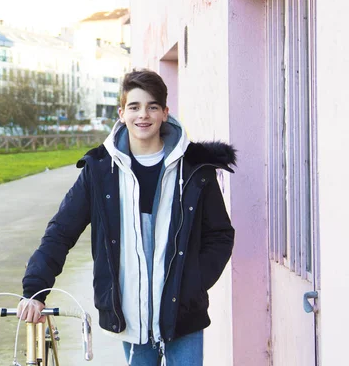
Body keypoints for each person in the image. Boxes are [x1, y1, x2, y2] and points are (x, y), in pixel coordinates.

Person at [17, 69, 235, 365]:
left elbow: (220, 234)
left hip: (184, 312)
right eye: (134, 107)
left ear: (165, 113)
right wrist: (35, 290)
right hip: (130, 318)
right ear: (121, 113)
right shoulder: (99, 170)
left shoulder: (195, 169)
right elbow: (61, 231)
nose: (142, 115)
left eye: (152, 106)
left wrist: (193, 281)